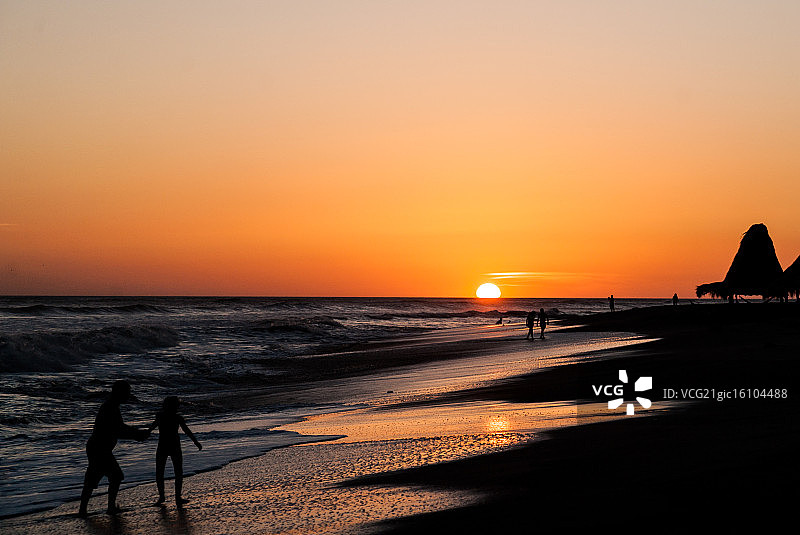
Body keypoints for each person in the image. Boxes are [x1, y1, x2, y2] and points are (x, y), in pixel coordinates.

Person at [78, 380, 149, 517]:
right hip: (99, 448)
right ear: (119, 392)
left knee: (93, 478)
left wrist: (136, 434)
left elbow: (118, 428)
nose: (129, 395)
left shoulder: (111, 406)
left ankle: (84, 510)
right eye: (127, 392)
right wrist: (137, 434)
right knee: (114, 476)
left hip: (97, 447)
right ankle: (108, 508)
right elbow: (117, 430)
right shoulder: (110, 407)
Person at [148, 396, 202, 506]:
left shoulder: (163, 416)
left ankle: (164, 497)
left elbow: (152, 427)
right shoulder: (175, 417)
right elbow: (186, 431)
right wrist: (195, 442)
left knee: (162, 472)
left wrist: (143, 434)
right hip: (173, 446)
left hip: (164, 446)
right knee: (176, 472)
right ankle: (175, 497)